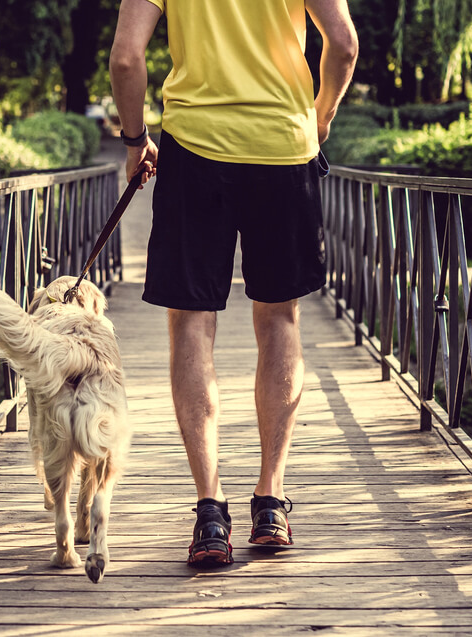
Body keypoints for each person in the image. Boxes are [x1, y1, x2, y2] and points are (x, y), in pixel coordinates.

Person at [109, 0, 358, 566]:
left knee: (192, 326)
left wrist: (134, 141)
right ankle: (270, 501)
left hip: (195, 150)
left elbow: (126, 60)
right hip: (283, 148)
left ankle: (210, 512)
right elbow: (342, 44)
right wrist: (318, 119)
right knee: (279, 317)